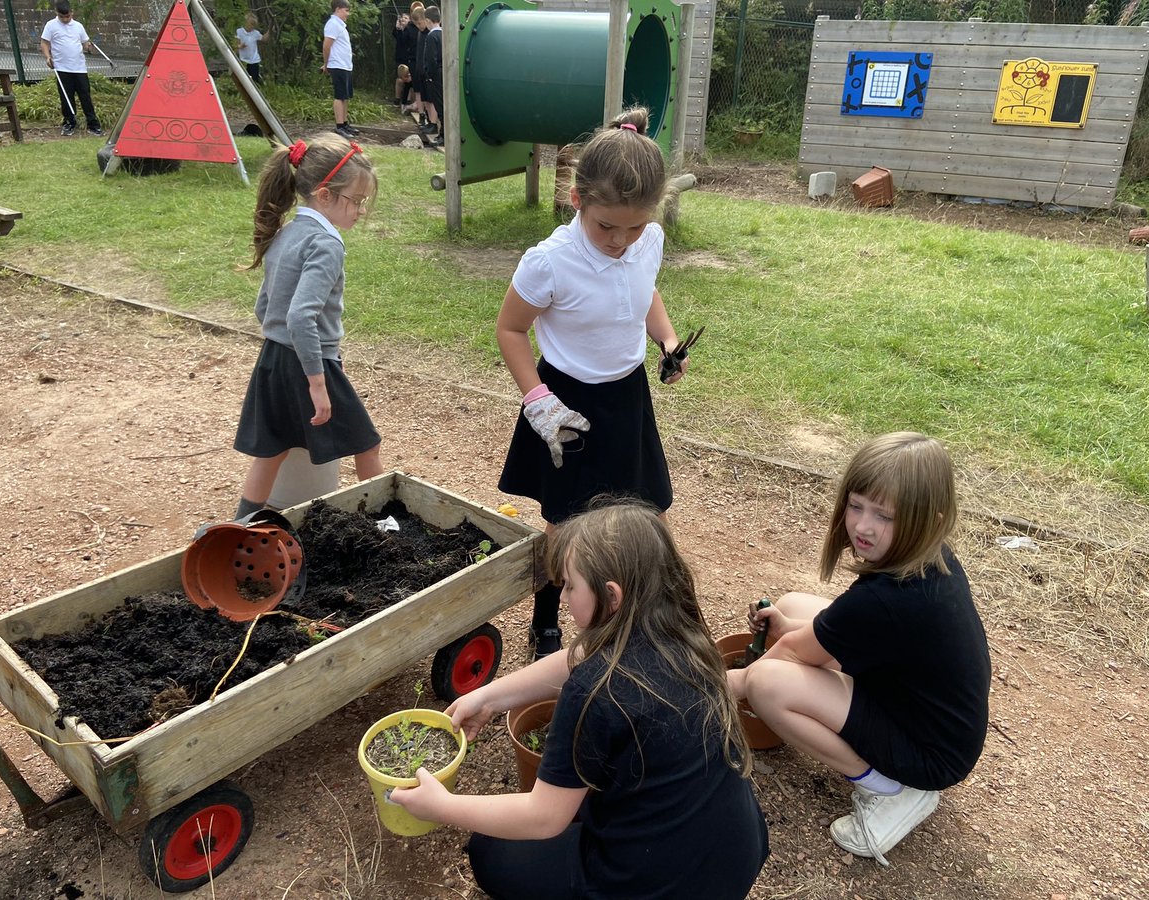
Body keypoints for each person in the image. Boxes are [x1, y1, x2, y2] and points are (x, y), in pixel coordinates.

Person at [390, 501, 769, 899]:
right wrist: (490, 696)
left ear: (612, 595)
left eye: (570, 585)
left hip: (657, 886)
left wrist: (441, 806)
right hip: (736, 852)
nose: (564, 596)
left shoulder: (595, 691)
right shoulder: (683, 637)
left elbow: (544, 819)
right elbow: (578, 657)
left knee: (491, 850)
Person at [730, 431, 992, 866]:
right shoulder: (928, 561)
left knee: (766, 683)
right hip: (930, 717)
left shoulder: (886, 600)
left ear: (928, 518)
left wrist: (712, 685)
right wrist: (789, 631)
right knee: (794, 606)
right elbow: (838, 638)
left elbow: (794, 656)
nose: (863, 526)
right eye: (856, 506)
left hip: (927, 755)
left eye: (884, 516)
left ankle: (887, 789)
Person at [495, 107, 689, 661]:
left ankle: (638, 619)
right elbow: (510, 330)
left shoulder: (645, 240)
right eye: (608, 227)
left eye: (636, 226)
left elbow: (646, 291)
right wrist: (538, 403)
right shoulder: (548, 263)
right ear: (577, 200)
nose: (622, 240)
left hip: (627, 398)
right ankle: (546, 623)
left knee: (646, 513)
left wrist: (668, 342)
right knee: (565, 527)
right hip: (565, 401)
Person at [231, 135, 383, 520]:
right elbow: (302, 317)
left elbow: (264, 307)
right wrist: (317, 379)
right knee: (366, 445)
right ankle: (386, 524)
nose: (360, 211)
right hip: (307, 364)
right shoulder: (326, 243)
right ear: (325, 195)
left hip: (273, 360)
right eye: (356, 200)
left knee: (272, 452)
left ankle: (238, 529)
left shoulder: (287, 233)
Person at [39, 0, 103, 136]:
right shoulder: (51, 25)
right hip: (62, 68)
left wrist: (90, 47)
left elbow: (85, 43)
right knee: (66, 97)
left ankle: (93, 124)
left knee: (85, 96)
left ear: (71, 13)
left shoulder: (78, 26)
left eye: (68, 16)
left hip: (79, 68)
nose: (66, 19)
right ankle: (69, 123)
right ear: (57, 14)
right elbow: (44, 43)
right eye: (62, 17)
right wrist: (47, 57)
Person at [322, 0, 359, 138]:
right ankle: (339, 126)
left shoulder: (340, 25)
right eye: (346, 10)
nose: (347, 14)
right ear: (338, 9)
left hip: (345, 65)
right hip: (337, 65)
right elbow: (326, 46)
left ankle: (344, 123)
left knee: (345, 96)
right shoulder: (332, 24)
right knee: (339, 95)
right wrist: (326, 64)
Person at [422, 6, 444, 146]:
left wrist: (429, 75)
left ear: (428, 20)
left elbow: (431, 59)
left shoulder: (431, 36)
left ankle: (443, 136)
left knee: (440, 105)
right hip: (445, 73)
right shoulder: (444, 34)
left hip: (436, 75)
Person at [392, 11, 418, 106]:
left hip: (410, 58)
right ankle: (398, 99)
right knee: (400, 79)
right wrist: (398, 29)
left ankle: (409, 101)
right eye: (402, 18)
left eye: (406, 18)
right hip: (401, 58)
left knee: (411, 81)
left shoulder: (412, 30)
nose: (403, 19)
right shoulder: (400, 30)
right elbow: (398, 38)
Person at [236, 12, 269, 86]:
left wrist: (269, 31)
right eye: (251, 24)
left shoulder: (255, 33)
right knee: (246, 78)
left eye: (254, 25)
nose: (252, 26)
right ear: (245, 23)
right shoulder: (239, 31)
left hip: (254, 59)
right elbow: (236, 44)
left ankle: (259, 85)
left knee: (254, 77)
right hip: (244, 59)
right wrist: (240, 46)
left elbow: (264, 39)